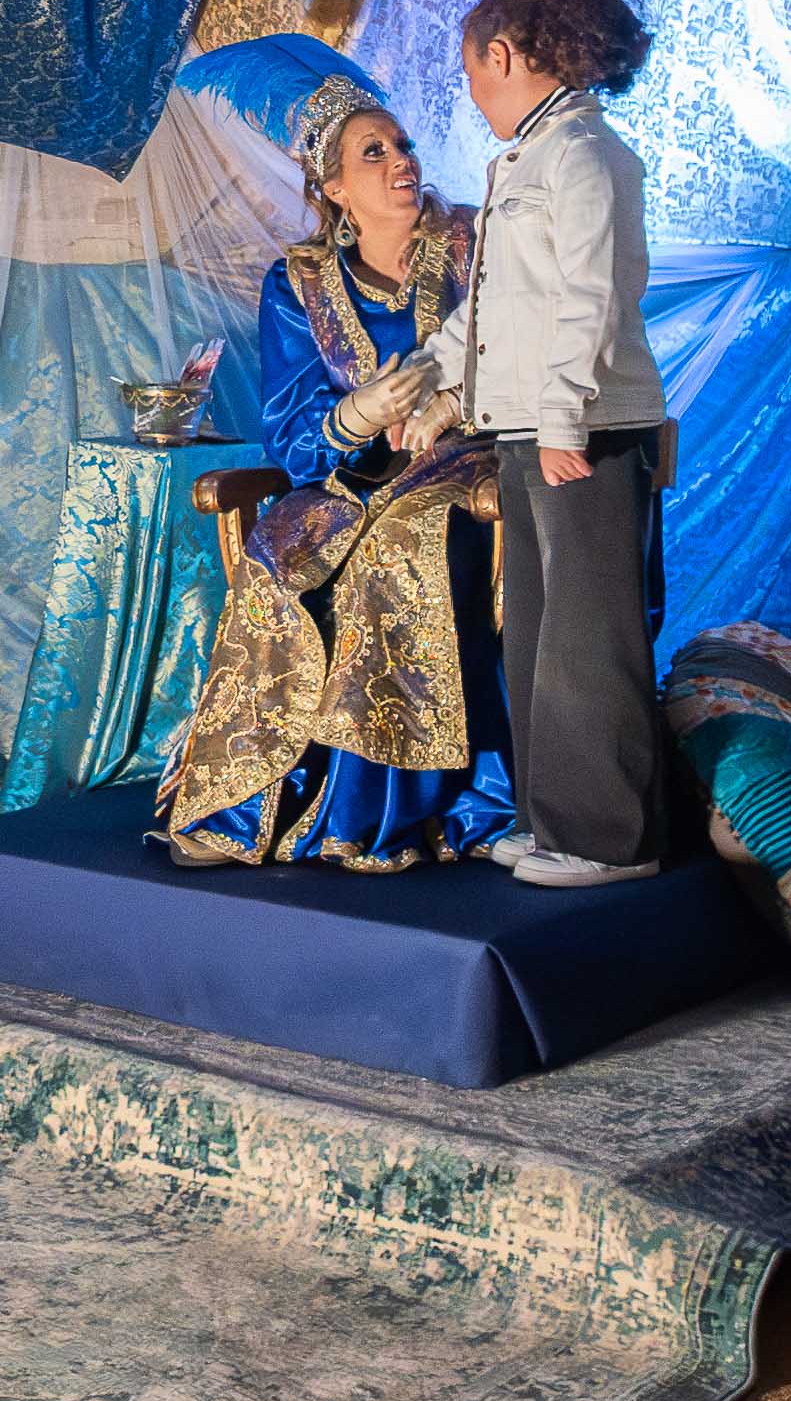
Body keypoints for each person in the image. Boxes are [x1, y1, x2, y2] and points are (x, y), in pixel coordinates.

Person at [152, 73, 519, 867]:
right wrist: (357, 414)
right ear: (335, 189)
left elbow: (526, 351)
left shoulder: (475, 244)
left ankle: (381, 813)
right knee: (273, 561)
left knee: (397, 550)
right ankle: (247, 801)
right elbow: (290, 435)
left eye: (404, 145)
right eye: (373, 152)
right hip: (348, 483)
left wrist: (448, 402)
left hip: (465, 471)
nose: (401, 161)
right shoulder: (299, 282)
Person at [435, 0, 678, 885]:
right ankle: (552, 822)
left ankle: (610, 839)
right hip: (524, 426)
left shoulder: (584, 153)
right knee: (537, 631)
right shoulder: (526, 158)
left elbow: (592, 295)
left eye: (471, 74)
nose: (473, 95)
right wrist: (436, 387)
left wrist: (565, 417)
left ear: (500, 56)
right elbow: (496, 310)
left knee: (588, 636)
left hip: (581, 429)